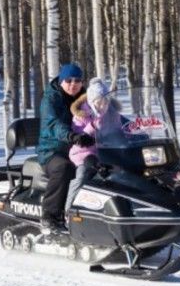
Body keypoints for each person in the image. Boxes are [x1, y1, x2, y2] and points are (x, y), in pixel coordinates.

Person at [36, 63, 92, 232]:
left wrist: (131, 127)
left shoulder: (86, 98)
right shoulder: (51, 99)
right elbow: (53, 123)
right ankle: (50, 216)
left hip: (79, 149)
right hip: (52, 150)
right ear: (61, 81)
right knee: (64, 167)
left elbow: (104, 112)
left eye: (77, 80)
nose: (73, 84)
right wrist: (72, 136)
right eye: (68, 80)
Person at [65, 77, 122, 211]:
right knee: (83, 174)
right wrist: (92, 126)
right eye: (98, 102)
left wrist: (134, 133)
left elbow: (120, 130)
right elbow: (78, 136)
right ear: (91, 102)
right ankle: (68, 210)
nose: (102, 105)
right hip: (84, 153)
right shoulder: (81, 115)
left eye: (105, 101)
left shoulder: (112, 114)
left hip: (106, 152)